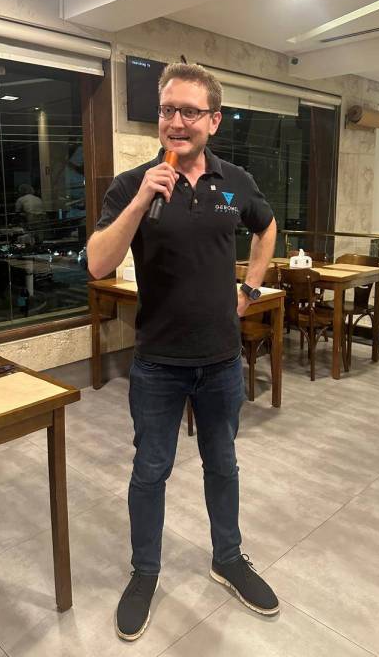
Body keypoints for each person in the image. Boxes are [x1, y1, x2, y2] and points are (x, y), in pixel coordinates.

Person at [87, 63, 279, 640]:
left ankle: (228, 558)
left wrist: (250, 289)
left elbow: (266, 227)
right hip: (157, 364)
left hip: (221, 360)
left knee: (223, 464)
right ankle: (145, 572)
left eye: (189, 112)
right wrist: (141, 201)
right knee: (150, 471)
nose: (176, 121)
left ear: (213, 121)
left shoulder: (234, 182)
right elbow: (97, 263)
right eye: (167, 110)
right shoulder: (132, 184)